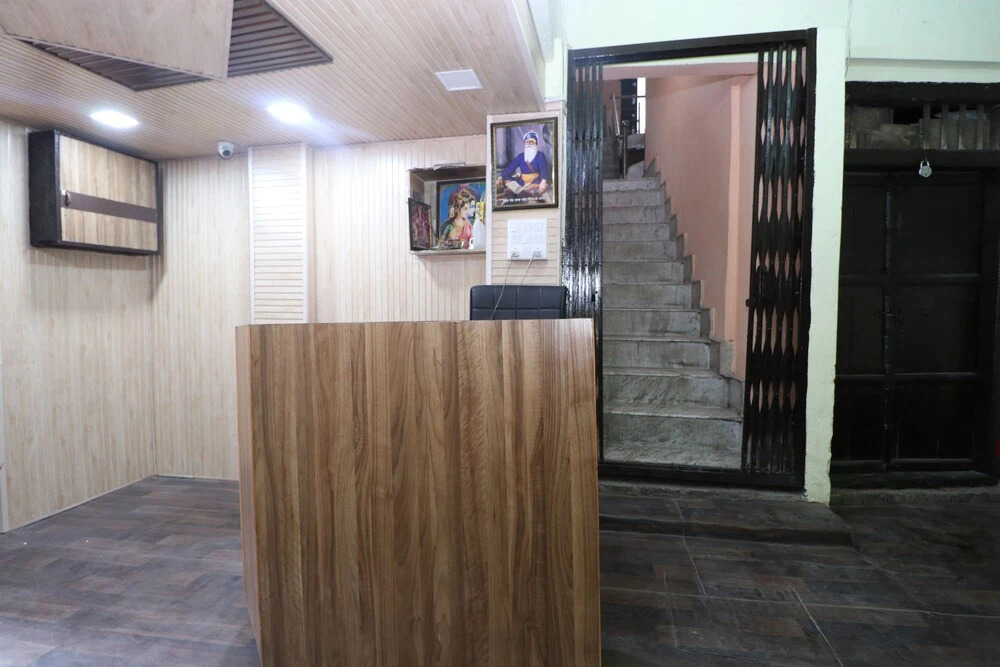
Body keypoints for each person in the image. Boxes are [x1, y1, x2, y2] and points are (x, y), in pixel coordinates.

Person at [496, 130, 550, 201]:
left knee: (540, 186)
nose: (529, 144)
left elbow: (544, 169)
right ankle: (521, 191)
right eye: (527, 142)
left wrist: (543, 181)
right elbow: (510, 167)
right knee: (505, 179)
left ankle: (525, 191)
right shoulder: (520, 156)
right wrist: (501, 177)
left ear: (536, 144)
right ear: (525, 144)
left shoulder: (540, 155)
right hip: (522, 181)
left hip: (536, 180)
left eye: (531, 142)